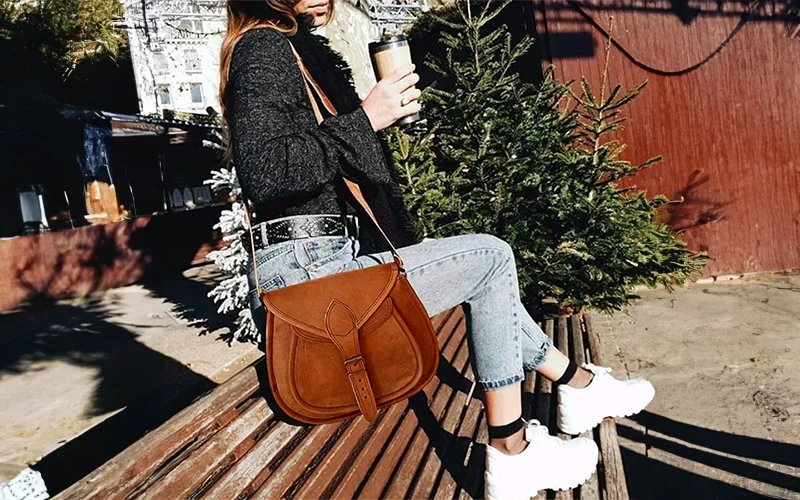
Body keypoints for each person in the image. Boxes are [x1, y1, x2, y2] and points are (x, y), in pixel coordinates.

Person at [219, 1, 655, 498]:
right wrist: (366, 118)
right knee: (491, 257)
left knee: (480, 269)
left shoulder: (288, 49)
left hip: (323, 261)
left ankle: (578, 386)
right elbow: (267, 173)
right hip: (310, 275)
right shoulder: (263, 46)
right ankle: (513, 450)